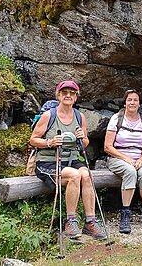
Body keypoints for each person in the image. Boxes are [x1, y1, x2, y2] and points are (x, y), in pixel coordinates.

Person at [30, 80, 106, 240]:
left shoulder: (79, 117)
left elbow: (84, 144)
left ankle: (90, 221)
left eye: (72, 93)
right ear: (58, 95)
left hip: (71, 159)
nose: (68, 95)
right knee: (74, 175)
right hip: (48, 162)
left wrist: (82, 138)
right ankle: (70, 221)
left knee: (86, 174)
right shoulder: (48, 116)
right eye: (64, 92)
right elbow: (33, 140)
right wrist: (50, 142)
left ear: (76, 97)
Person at [104, 89, 142, 234]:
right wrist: (127, 159)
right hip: (118, 157)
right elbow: (107, 146)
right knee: (130, 172)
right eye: (129, 100)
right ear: (125, 102)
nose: (132, 102)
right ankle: (125, 213)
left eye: (135, 100)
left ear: (139, 103)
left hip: (138, 158)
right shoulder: (116, 118)